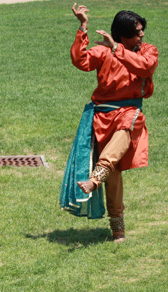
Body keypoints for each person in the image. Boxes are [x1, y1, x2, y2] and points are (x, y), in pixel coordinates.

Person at [59, 4, 158, 242]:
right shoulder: (104, 52)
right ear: (122, 33)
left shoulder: (148, 50)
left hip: (130, 112)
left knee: (127, 128)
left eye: (142, 30)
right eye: (136, 31)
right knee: (112, 173)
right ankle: (118, 230)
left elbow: (145, 67)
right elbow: (80, 61)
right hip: (102, 117)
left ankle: (95, 178)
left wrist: (117, 48)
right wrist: (82, 27)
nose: (141, 34)